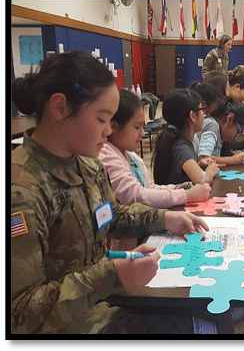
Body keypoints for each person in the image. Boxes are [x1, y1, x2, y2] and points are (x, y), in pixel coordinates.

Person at [11, 50, 221, 334]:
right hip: (72, 321)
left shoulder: (87, 165)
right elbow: (20, 312)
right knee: (203, 327)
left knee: (207, 307)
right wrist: (111, 275)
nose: (109, 131)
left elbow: (111, 216)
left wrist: (165, 218)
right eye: (101, 119)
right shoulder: (22, 191)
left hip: (105, 295)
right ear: (59, 108)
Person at [98, 89, 212, 251]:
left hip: (142, 234)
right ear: (114, 127)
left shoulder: (131, 156)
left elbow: (148, 187)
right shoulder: (108, 155)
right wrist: (185, 195)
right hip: (126, 246)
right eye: (137, 127)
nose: (143, 133)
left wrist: (174, 188)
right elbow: (136, 196)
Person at [152, 88, 221, 186]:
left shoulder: (181, 141)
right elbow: (201, 180)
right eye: (201, 109)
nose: (204, 114)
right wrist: (210, 171)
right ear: (192, 116)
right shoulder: (181, 147)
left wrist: (198, 164)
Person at [194, 96, 244, 166]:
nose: (235, 138)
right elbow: (203, 159)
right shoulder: (212, 126)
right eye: (238, 132)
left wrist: (234, 155)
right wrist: (233, 160)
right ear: (229, 119)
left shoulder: (220, 133)